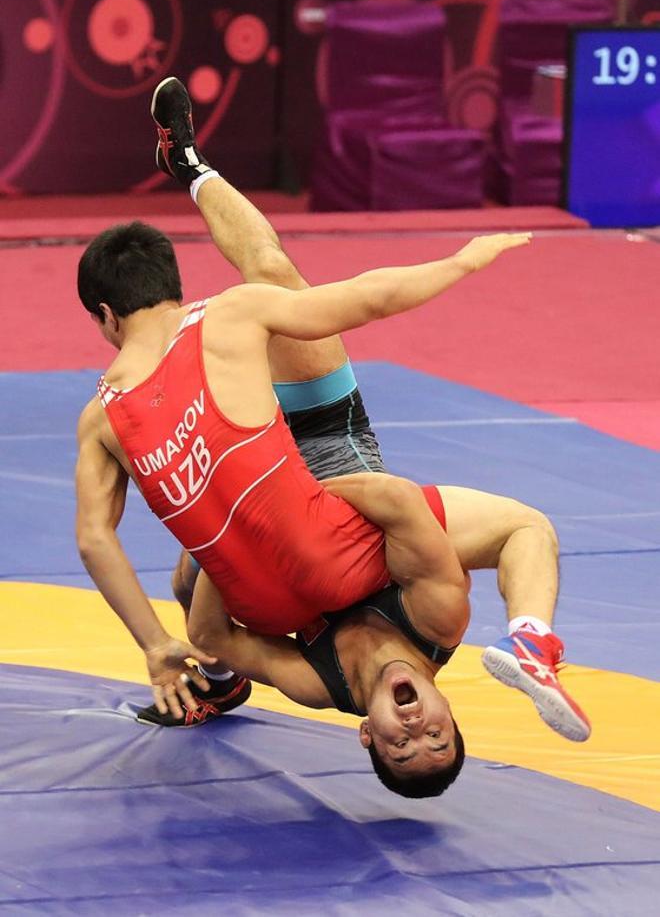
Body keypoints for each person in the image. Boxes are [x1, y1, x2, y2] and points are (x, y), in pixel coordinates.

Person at [140, 79, 590, 758]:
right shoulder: (437, 619)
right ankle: (191, 168)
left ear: (367, 736)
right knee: (272, 277)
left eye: (402, 747)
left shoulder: (319, 683)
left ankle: (226, 684)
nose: (416, 729)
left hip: (269, 517)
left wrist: (230, 536)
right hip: (336, 456)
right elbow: (392, 500)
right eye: (438, 734)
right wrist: (290, 489)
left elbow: (211, 628)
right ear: (446, 706)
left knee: (186, 581)